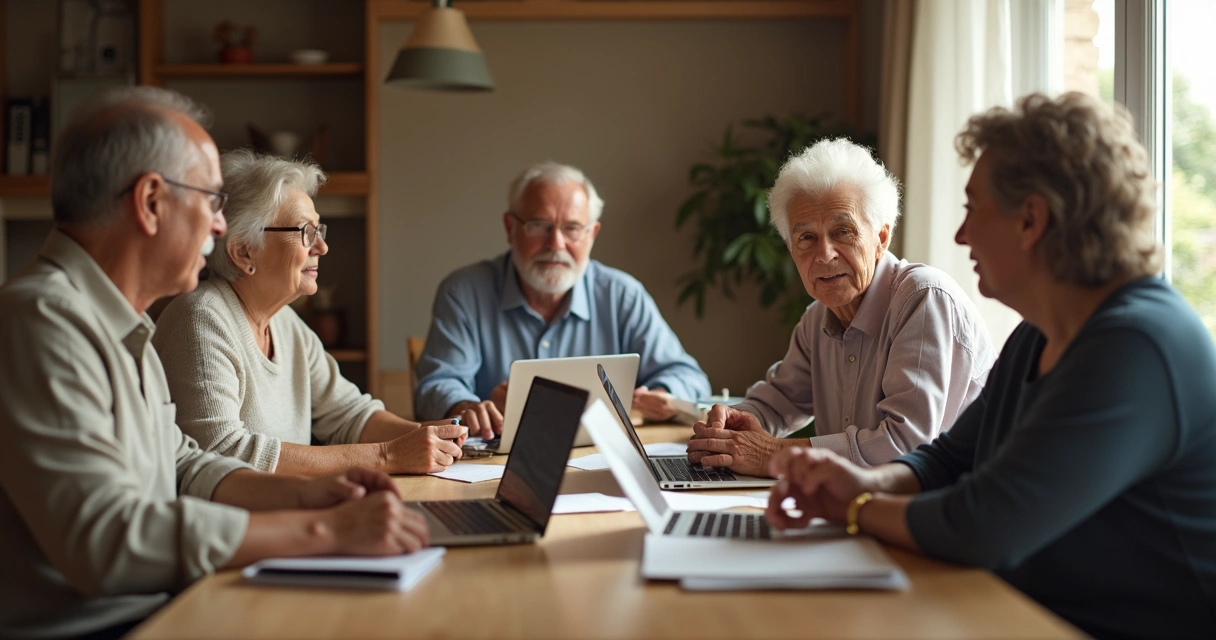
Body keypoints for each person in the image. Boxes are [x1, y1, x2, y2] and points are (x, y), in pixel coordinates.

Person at [767, 93, 1216, 639]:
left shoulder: (1137, 346)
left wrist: (854, 506)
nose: (961, 235)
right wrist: (863, 480)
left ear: (1031, 220)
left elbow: (983, 523)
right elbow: (945, 461)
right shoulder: (1038, 335)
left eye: (972, 209)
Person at [0, 87, 430, 638]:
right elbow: (105, 540)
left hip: (159, 609)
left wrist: (310, 493)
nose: (222, 227)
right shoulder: (43, 323)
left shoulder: (122, 324)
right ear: (151, 201)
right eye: (210, 200)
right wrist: (323, 531)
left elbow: (185, 465)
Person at [687, 139, 995, 477]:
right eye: (806, 238)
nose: (824, 254)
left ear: (881, 238)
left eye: (842, 231)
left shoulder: (923, 299)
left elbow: (907, 445)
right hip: (861, 512)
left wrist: (773, 454)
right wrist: (730, 427)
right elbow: (776, 401)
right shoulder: (817, 319)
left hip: (944, 516)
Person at [154, 149, 465, 476]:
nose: (321, 247)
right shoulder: (202, 319)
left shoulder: (285, 322)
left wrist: (431, 436)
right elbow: (221, 453)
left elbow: (350, 414)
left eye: (320, 230)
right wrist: (387, 457)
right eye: (305, 232)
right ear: (244, 251)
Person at [414, 162, 711, 437]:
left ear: (592, 234)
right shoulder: (464, 293)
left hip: (601, 460)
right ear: (510, 228)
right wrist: (464, 407)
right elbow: (435, 386)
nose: (556, 244)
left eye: (571, 228)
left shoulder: (623, 295)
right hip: (495, 463)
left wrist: (663, 395)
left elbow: (689, 377)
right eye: (540, 225)